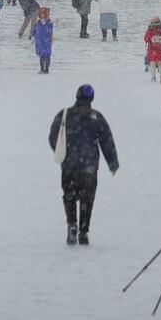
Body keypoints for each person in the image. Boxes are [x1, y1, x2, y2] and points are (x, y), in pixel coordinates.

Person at [48, 85, 119, 245]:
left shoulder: (64, 115)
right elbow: (107, 141)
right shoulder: (96, 117)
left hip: (69, 164)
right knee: (87, 199)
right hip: (89, 165)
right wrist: (112, 163)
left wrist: (63, 152)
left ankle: (72, 224)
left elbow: (53, 137)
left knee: (69, 195)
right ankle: (84, 231)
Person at [33, 7, 54, 74]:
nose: (42, 15)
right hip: (39, 42)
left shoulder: (49, 22)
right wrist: (33, 35)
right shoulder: (37, 22)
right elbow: (34, 30)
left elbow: (49, 30)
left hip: (46, 41)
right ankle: (42, 68)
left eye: (43, 14)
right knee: (41, 56)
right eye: (41, 14)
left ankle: (46, 69)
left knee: (47, 55)